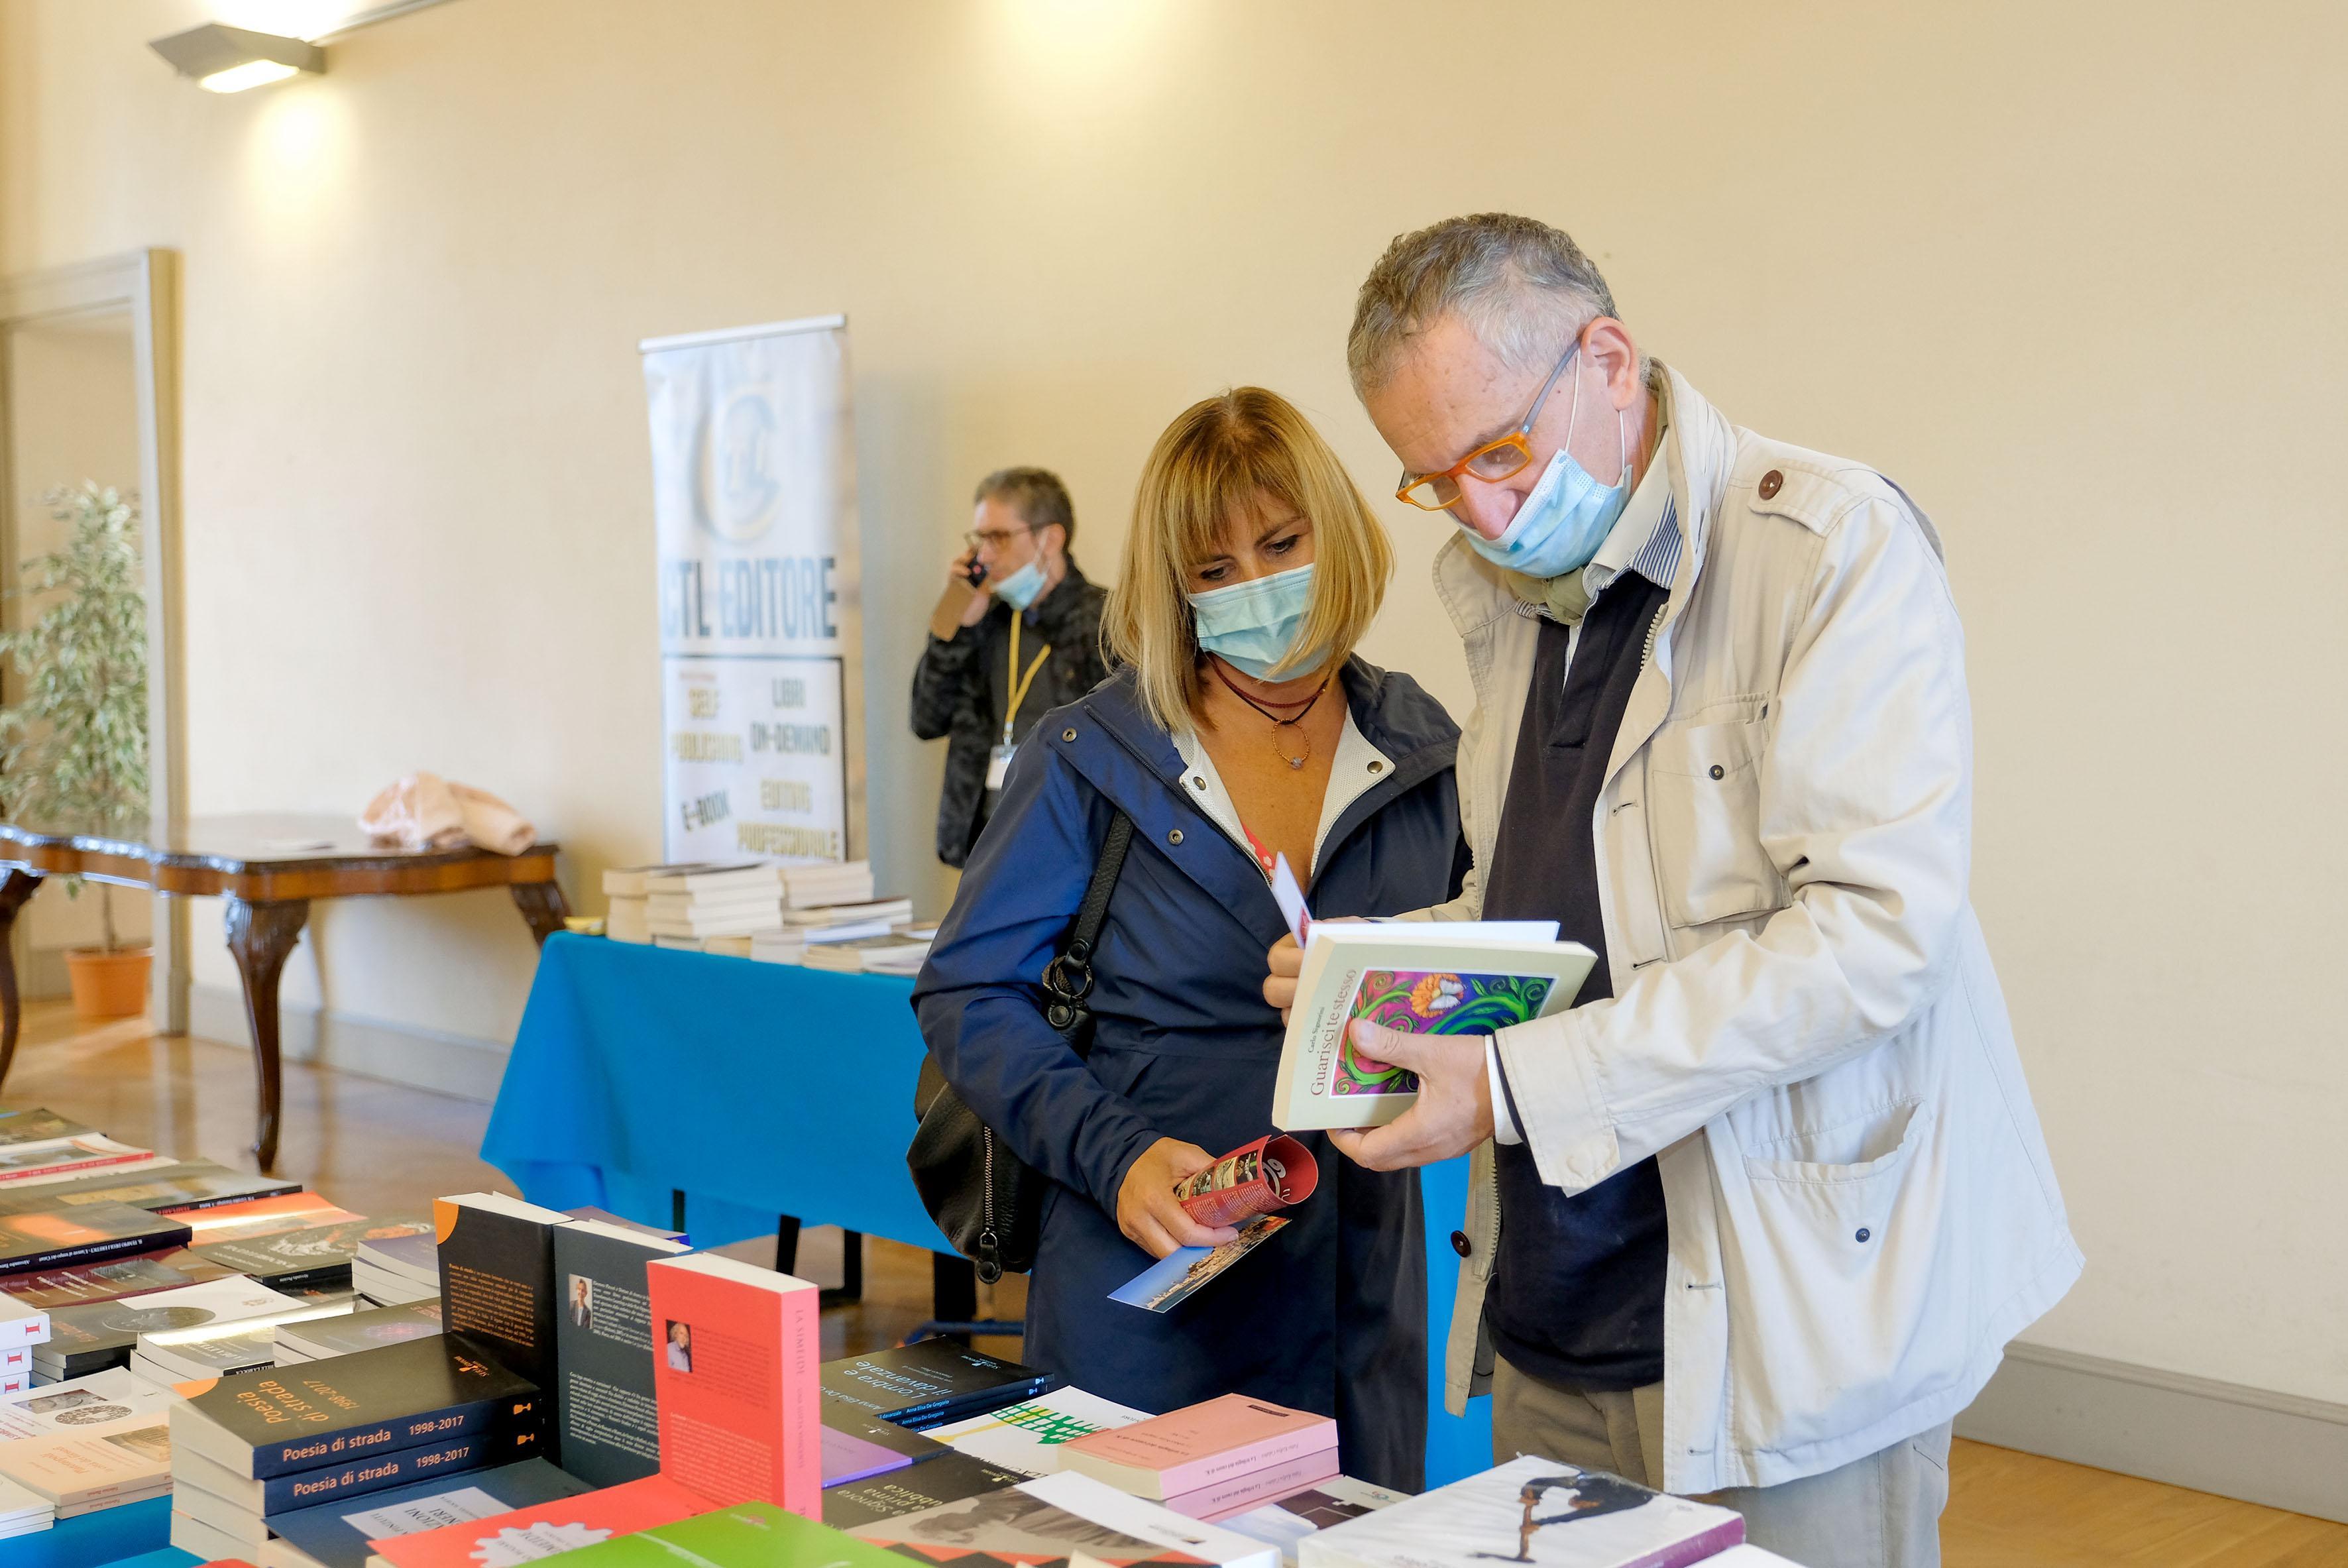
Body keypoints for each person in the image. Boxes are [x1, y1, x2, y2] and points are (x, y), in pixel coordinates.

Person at [1265, 215, 2081, 1567]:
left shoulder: (1825, 548)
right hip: (1551, 1302)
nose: (1477, 510)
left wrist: (1515, 1086)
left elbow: (1874, 941)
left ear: (1607, 358)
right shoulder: (1512, 595)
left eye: (1499, 451)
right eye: (1430, 480)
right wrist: (1380, 961)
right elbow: (1554, 904)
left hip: (1787, 1323)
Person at [913, 388, 1470, 1492]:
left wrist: (1418, 1001)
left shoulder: (1426, 747)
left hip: (1359, 1282)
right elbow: (967, 989)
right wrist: (1109, 1152)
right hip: (1150, 1270)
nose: (1255, 586)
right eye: (1212, 570)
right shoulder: (1090, 756)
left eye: (1280, 544)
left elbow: (1489, 976)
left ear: (1338, 533)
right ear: (1174, 588)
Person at [911, 467, 1114, 868]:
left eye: (998, 538)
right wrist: (956, 625)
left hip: (1070, 851)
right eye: (980, 539)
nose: (984, 556)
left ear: (1050, 539)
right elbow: (925, 720)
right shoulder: (983, 621)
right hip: (986, 849)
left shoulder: (1107, 621)